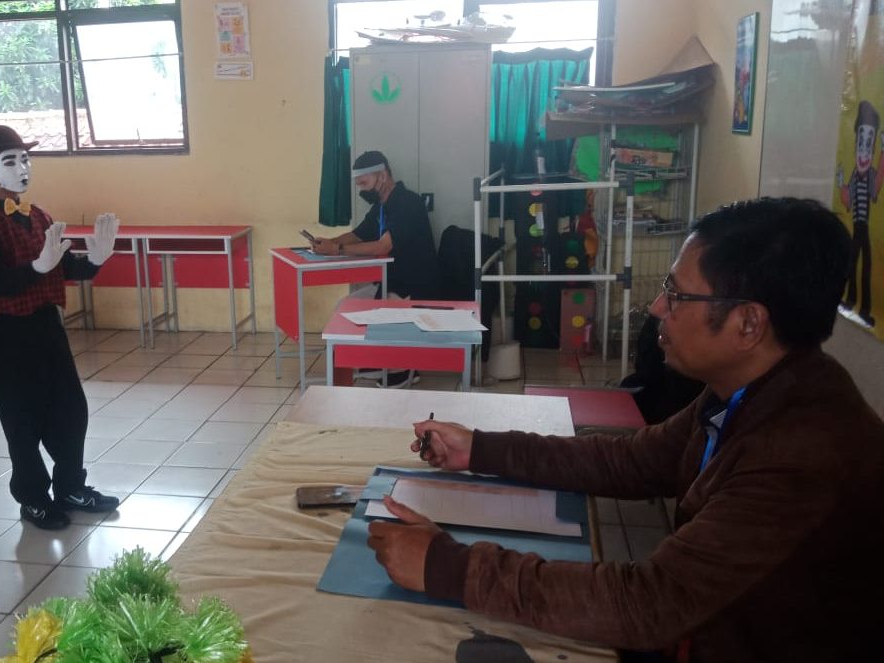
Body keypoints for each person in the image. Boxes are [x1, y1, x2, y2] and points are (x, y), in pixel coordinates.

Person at [368, 197, 884, 662]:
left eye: (676, 295)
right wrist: (479, 449)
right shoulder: (747, 393)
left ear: (748, 324)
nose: (657, 308)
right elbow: (628, 461)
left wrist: (450, 567)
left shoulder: (801, 454)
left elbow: (650, 603)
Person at [0, 125, 120, 530]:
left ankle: (70, 487)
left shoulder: (39, 215)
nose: (23, 168)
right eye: (10, 161)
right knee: (22, 421)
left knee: (71, 411)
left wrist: (95, 260)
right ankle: (32, 497)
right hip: (9, 334)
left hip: (47, 325)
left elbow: (64, 267)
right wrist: (36, 267)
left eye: (25, 159)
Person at [312, 150, 440, 387]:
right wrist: (328, 243)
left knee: (382, 313)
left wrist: (337, 249)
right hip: (391, 281)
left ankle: (400, 369)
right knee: (344, 307)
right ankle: (373, 361)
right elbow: (358, 234)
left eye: (364, 183)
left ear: (382, 176)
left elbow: (383, 245)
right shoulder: (382, 205)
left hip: (413, 285)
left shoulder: (407, 203)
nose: (361, 190)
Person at [836, 99, 882, 327]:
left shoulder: (871, 173)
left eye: (868, 145)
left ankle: (864, 309)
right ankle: (850, 300)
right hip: (857, 227)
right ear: (855, 146)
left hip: (863, 228)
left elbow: (875, 190)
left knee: (866, 266)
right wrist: (841, 183)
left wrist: (883, 152)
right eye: (860, 145)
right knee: (854, 263)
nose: (864, 152)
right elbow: (848, 199)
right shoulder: (855, 174)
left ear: (872, 149)